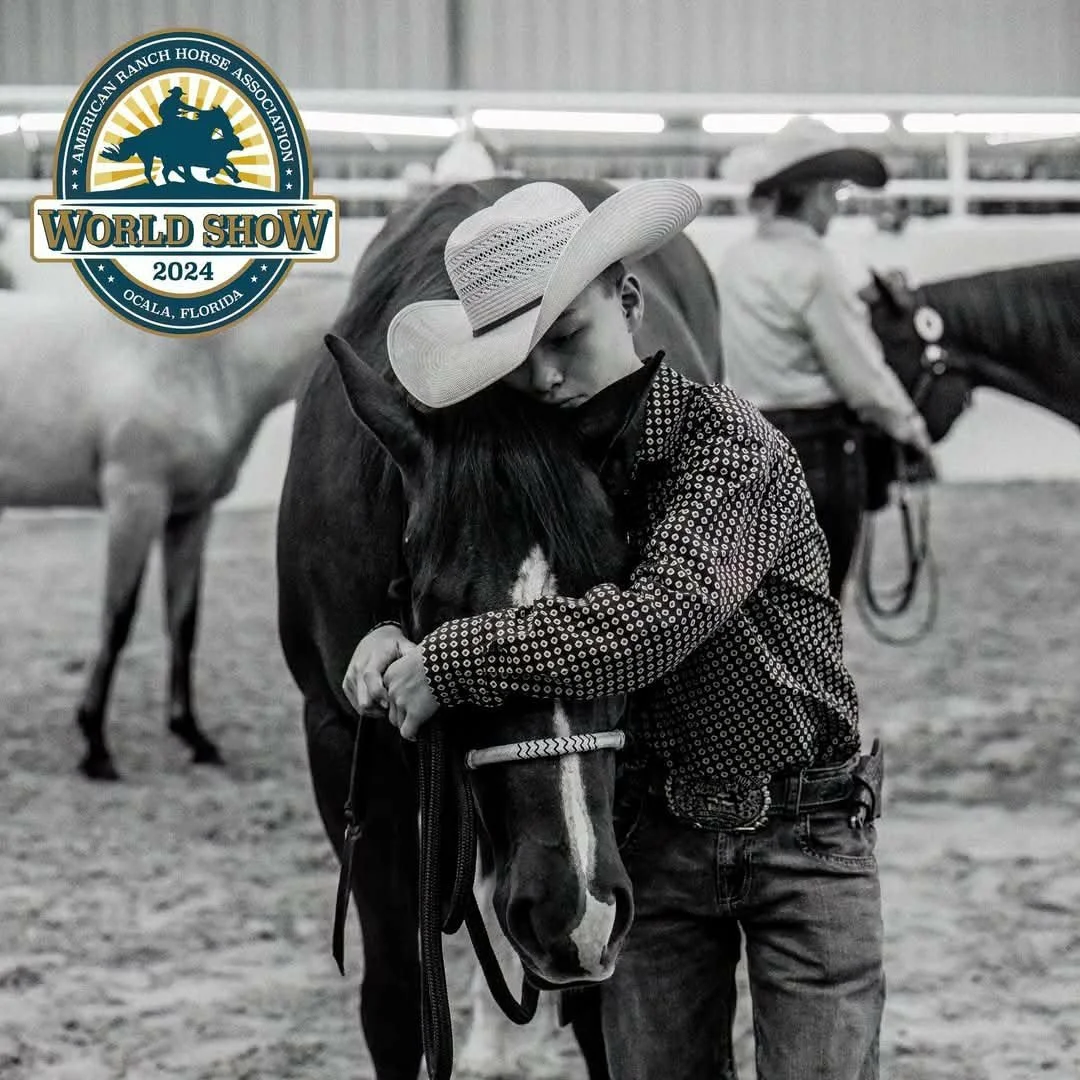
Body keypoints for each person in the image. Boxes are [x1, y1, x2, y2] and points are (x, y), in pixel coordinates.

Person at [343, 179, 885, 1080]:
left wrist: (446, 663)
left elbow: (655, 622)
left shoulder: (728, 445)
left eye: (563, 339)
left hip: (801, 836)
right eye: (518, 360)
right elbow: (481, 580)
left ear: (628, 299)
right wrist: (392, 632)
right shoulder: (549, 467)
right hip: (653, 840)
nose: (546, 379)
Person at [716, 116, 932, 599]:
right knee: (818, 601)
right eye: (833, 193)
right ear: (812, 194)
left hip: (749, 443)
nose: (835, 205)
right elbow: (863, 380)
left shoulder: (736, 261)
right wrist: (911, 431)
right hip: (818, 450)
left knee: (764, 604)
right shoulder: (816, 267)